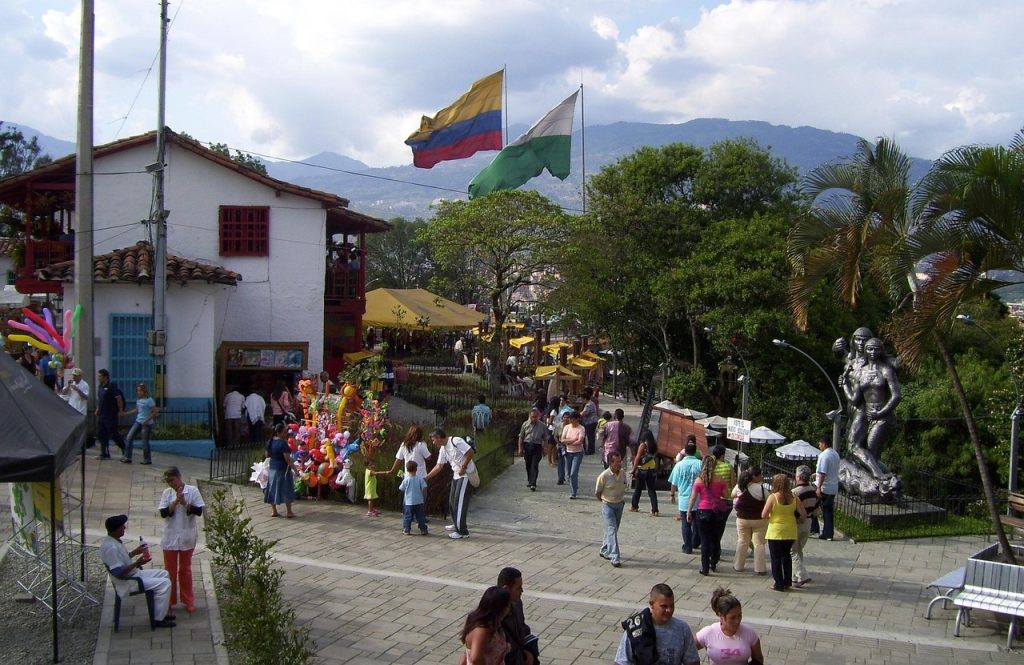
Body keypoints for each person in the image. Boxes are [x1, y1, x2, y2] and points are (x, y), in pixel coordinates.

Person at [100, 514, 175, 628]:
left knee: (164, 573)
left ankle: (160, 611)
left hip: (134, 573)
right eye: (122, 526)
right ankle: (158, 619)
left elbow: (121, 561)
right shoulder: (111, 548)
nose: (124, 528)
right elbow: (118, 573)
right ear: (115, 530)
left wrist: (134, 552)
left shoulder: (113, 541)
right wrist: (137, 563)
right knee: (165, 583)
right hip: (128, 582)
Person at [615, 583, 700, 665]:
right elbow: (622, 662)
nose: (669, 610)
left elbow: (692, 661)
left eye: (671, 605)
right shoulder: (636, 628)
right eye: (664, 606)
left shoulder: (682, 628)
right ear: (652, 604)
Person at [158, 466, 205, 614]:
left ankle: (188, 600)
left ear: (179, 477)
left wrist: (184, 502)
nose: (171, 484)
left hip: (186, 536)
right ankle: (170, 600)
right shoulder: (167, 493)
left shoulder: (193, 491)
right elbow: (164, 513)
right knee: (169, 570)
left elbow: (198, 511)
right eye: (168, 481)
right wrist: (175, 502)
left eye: (172, 480)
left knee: (185, 570)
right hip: (170, 536)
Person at [424, 428, 477, 540]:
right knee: (452, 502)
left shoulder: (456, 441)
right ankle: (456, 523)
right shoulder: (443, 449)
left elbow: (470, 452)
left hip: (465, 475)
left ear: (439, 438)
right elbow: (439, 466)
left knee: (460, 503)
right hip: (456, 476)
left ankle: (462, 531)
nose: (433, 442)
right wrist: (426, 477)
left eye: (434, 440)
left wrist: (463, 467)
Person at [762, 472, 807, 592]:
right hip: (790, 530)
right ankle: (787, 581)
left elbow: (764, 514)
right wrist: (799, 520)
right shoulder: (794, 497)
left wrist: (771, 517)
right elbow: (803, 514)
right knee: (786, 556)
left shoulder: (773, 497)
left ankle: (778, 583)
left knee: (775, 558)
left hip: (776, 531)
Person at [695, 588, 764, 665]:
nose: (737, 621)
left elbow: (758, 660)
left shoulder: (749, 633)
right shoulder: (707, 633)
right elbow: (687, 652)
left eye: (739, 615)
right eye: (732, 618)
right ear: (721, 616)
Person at [688, 455, 729, 576]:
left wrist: (689, 511)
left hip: (703, 511)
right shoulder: (720, 479)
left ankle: (704, 567)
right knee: (715, 538)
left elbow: (693, 498)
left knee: (704, 540)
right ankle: (714, 561)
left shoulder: (699, 480)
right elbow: (726, 495)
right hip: (716, 512)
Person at [497, 567, 539, 665]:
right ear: (506, 589)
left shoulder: (517, 604)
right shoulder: (493, 614)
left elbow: (522, 628)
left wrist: (528, 653)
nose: (522, 591)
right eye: (518, 588)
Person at [460, 586, 511, 665]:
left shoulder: (494, 624)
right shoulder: (482, 629)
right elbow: (476, 658)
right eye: (508, 605)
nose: (509, 608)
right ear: (501, 608)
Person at [732, 466, 768, 576]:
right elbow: (768, 500)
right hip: (759, 519)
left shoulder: (740, 486)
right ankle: (760, 568)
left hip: (743, 518)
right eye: (760, 475)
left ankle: (738, 566)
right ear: (754, 477)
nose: (761, 477)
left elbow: (732, 494)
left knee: (742, 541)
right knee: (759, 543)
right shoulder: (762, 489)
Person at [668, 439, 702, 554]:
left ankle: (687, 546)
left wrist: (672, 494)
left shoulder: (679, 465)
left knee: (685, 524)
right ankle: (695, 542)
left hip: (684, 499)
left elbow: (674, 482)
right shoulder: (700, 464)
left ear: (685, 452)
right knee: (696, 524)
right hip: (698, 499)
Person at [595, 451, 628, 567]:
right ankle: (615, 556)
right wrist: (605, 501)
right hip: (608, 505)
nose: (620, 464)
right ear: (610, 463)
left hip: (619, 505)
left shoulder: (623, 474)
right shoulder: (604, 476)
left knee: (613, 529)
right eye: (617, 462)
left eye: (620, 461)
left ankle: (604, 549)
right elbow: (598, 492)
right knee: (611, 530)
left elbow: (625, 485)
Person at [792, 464, 819, 588]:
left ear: (798, 476)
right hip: (808, 522)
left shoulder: (795, 493)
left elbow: (792, 509)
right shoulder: (813, 491)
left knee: (792, 551)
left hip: (797, 523)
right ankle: (795, 577)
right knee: (799, 550)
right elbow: (817, 510)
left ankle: (802, 575)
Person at [263, 422, 296, 518]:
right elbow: (288, 459)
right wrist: (296, 470)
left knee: (272, 489)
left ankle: (274, 511)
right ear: (278, 433)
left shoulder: (270, 442)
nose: (286, 434)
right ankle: (289, 512)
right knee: (286, 489)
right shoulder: (283, 444)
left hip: (273, 468)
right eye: (284, 432)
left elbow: (267, 455)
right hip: (283, 469)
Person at [122, 383, 158, 464]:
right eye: (137, 391)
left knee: (144, 441)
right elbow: (136, 409)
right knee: (129, 437)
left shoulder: (149, 400)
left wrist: (147, 420)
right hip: (138, 421)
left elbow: (155, 412)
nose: (138, 392)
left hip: (147, 424)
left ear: (144, 391)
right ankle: (127, 457)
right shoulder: (139, 400)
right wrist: (125, 413)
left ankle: (147, 459)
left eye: (140, 390)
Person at [95, 369, 126, 460]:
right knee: (101, 433)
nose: (98, 378)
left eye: (100, 376)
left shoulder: (112, 386)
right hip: (102, 414)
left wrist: (120, 410)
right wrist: (97, 409)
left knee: (113, 433)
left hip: (111, 415)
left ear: (105, 377)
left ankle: (124, 449)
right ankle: (104, 452)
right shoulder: (100, 386)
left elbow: (118, 398)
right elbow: (100, 400)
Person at [815, 433, 840, 540]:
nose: (819, 446)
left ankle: (819, 530)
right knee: (828, 510)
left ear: (824, 444)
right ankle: (828, 532)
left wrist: (818, 487)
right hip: (833, 486)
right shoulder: (835, 454)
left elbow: (823, 473)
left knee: (816, 507)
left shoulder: (824, 455)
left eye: (820, 444)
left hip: (825, 487)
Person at [630, 430, 659, 516]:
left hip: (642, 470)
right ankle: (655, 510)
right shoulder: (654, 445)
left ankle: (634, 506)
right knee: (652, 490)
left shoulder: (643, 445)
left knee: (638, 489)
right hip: (651, 470)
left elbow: (638, 458)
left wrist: (633, 469)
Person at [517, 408, 547, 491]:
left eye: (536, 417)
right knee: (528, 464)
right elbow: (521, 437)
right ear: (530, 416)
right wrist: (520, 448)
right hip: (527, 445)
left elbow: (545, 438)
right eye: (532, 417)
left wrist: (545, 448)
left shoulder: (542, 425)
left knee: (534, 464)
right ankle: (530, 480)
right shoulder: (525, 424)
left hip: (537, 446)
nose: (534, 418)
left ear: (538, 417)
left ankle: (533, 483)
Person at [560, 410, 586, 499]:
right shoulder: (567, 427)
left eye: (573, 419)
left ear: (577, 419)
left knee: (573, 473)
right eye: (570, 419)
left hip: (577, 453)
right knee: (568, 473)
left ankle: (573, 492)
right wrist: (573, 440)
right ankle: (574, 485)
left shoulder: (581, 428)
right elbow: (562, 440)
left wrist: (569, 441)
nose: (571, 421)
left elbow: (580, 441)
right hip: (568, 452)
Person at [398, 460, 428, 535]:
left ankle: (406, 529)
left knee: (407, 516)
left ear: (407, 470)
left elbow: (401, 488)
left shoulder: (406, 480)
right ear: (416, 469)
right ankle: (423, 529)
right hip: (419, 501)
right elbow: (424, 487)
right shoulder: (420, 479)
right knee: (420, 516)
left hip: (409, 502)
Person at [580, 386, 599, 455]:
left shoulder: (588, 405)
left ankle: (590, 450)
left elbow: (583, 413)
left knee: (590, 436)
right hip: (592, 422)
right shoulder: (590, 403)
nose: (581, 400)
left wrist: (578, 413)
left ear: (585, 398)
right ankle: (591, 449)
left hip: (590, 422)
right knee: (591, 436)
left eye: (582, 399)